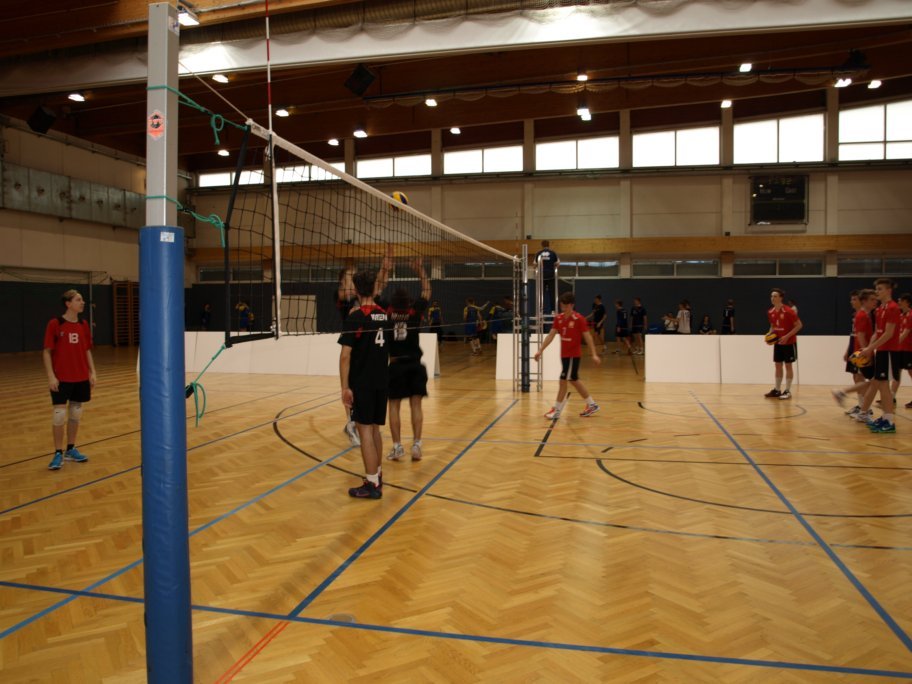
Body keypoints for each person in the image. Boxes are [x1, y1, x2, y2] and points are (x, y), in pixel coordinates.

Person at [338, 270, 391, 499]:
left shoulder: (356, 317)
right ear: (374, 288)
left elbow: (345, 356)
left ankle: (372, 485)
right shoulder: (385, 316)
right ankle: (377, 474)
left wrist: (345, 388)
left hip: (363, 383)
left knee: (365, 431)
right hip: (381, 381)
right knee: (375, 429)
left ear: (357, 290)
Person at [337, 250, 393, 447]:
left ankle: (355, 424)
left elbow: (378, 285)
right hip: (353, 341)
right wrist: (347, 278)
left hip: (365, 347)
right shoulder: (345, 298)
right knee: (351, 388)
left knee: (354, 388)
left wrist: (384, 268)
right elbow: (345, 292)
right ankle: (351, 423)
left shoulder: (368, 300)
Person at [44, 289, 96, 470]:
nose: (82, 303)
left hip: (80, 377)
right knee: (59, 415)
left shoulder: (83, 324)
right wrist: (51, 376)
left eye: (82, 300)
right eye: (78, 300)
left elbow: (87, 350)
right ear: (68, 303)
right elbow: (47, 352)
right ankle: (58, 452)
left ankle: (70, 449)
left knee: (75, 414)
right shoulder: (55, 323)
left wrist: (92, 372)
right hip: (61, 378)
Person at [386, 259, 431, 462]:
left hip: (395, 366)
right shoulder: (414, 313)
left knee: (394, 407)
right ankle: (416, 446)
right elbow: (427, 291)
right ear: (408, 302)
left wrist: (385, 269)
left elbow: (374, 293)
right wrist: (420, 270)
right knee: (416, 406)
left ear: (393, 303)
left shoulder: (387, 314)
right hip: (415, 365)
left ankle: (397, 447)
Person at [533, 292, 601, 419]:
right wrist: (540, 350)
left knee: (563, 381)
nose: (563, 308)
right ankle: (592, 404)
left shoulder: (579, 319)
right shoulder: (558, 318)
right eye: (561, 306)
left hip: (573, 356)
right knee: (574, 380)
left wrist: (594, 354)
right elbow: (551, 335)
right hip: (564, 356)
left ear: (571, 305)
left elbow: (588, 337)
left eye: (565, 306)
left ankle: (557, 410)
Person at [855, 278, 901, 433]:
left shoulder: (893, 308)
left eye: (880, 289)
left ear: (889, 290)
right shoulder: (880, 309)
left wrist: (870, 348)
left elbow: (889, 333)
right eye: (876, 289)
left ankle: (889, 421)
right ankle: (885, 417)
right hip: (881, 350)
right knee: (880, 385)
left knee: (883, 385)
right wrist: (868, 347)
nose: (877, 292)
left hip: (889, 351)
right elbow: (877, 332)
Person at [832, 289, 876, 416]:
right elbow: (857, 336)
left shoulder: (865, 315)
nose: (852, 302)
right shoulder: (860, 316)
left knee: (867, 379)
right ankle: (862, 407)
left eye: (854, 299)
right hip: (861, 351)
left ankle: (862, 406)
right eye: (851, 299)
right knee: (866, 379)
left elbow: (860, 335)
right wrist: (863, 351)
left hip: (860, 351)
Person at [764, 288, 802, 400]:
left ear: (781, 298)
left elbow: (799, 325)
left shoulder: (788, 311)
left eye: (775, 296)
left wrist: (787, 336)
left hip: (789, 342)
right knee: (777, 365)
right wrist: (769, 334)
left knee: (788, 365)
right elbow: (772, 326)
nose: (772, 298)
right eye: (771, 296)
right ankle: (777, 390)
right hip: (778, 343)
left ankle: (787, 391)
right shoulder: (770, 312)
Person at [534, 240, 560, 315]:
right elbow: (558, 263)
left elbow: (534, 264)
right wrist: (553, 267)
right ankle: (553, 310)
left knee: (541, 294)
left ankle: (540, 310)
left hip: (542, 276)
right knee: (552, 294)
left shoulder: (538, 253)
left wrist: (538, 268)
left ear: (542, 245)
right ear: (549, 245)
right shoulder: (553, 253)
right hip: (551, 276)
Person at [898, 293, 912, 408]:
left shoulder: (911, 315)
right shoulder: (901, 315)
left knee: (911, 372)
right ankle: (891, 397)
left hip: (909, 349)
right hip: (901, 349)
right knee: (897, 372)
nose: (899, 302)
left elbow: (905, 333)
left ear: (907, 302)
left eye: (901, 300)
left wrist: (893, 345)